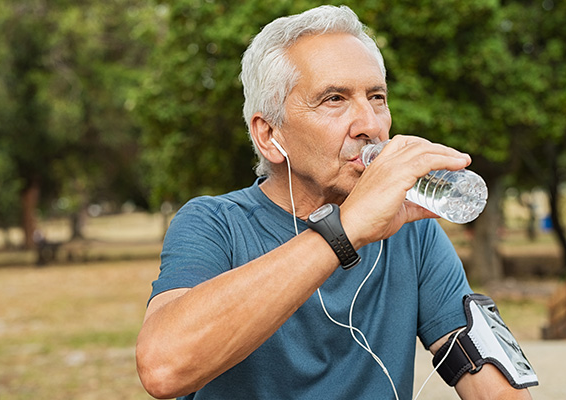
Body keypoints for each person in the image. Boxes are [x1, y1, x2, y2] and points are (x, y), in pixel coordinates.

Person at [136, 5, 533, 399]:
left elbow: (496, 388)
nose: (371, 125)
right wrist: (346, 230)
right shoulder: (214, 223)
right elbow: (163, 369)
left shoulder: (414, 234)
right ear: (269, 134)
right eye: (334, 99)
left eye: (376, 97)